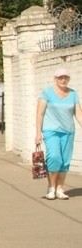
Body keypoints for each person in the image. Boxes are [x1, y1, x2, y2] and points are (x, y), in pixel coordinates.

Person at [34, 68, 81, 199]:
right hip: (51, 131)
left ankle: (59, 188)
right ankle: (51, 187)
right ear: (55, 79)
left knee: (65, 161)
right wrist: (38, 133)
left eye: (66, 77)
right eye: (60, 77)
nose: (63, 80)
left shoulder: (73, 94)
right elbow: (40, 114)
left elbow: (78, 114)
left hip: (68, 131)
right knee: (54, 157)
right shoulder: (47, 93)